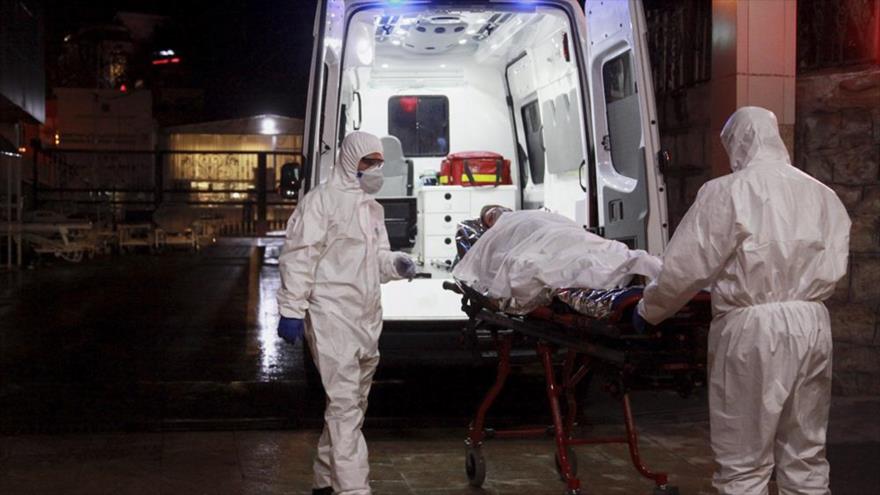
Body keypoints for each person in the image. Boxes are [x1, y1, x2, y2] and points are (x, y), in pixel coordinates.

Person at [635, 107, 851, 495]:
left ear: (737, 143)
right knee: (805, 453)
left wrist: (650, 310)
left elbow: (685, 266)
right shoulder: (823, 194)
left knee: (743, 458)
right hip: (812, 324)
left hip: (752, 331)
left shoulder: (726, 192)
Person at [276, 131, 417, 495]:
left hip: (366, 317)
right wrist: (292, 308)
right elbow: (299, 256)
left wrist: (395, 264)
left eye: (379, 162)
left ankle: (325, 480)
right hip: (331, 315)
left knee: (352, 404)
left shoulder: (372, 208)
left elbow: (375, 260)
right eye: (369, 162)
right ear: (350, 161)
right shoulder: (320, 202)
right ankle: (354, 489)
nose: (375, 169)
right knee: (343, 405)